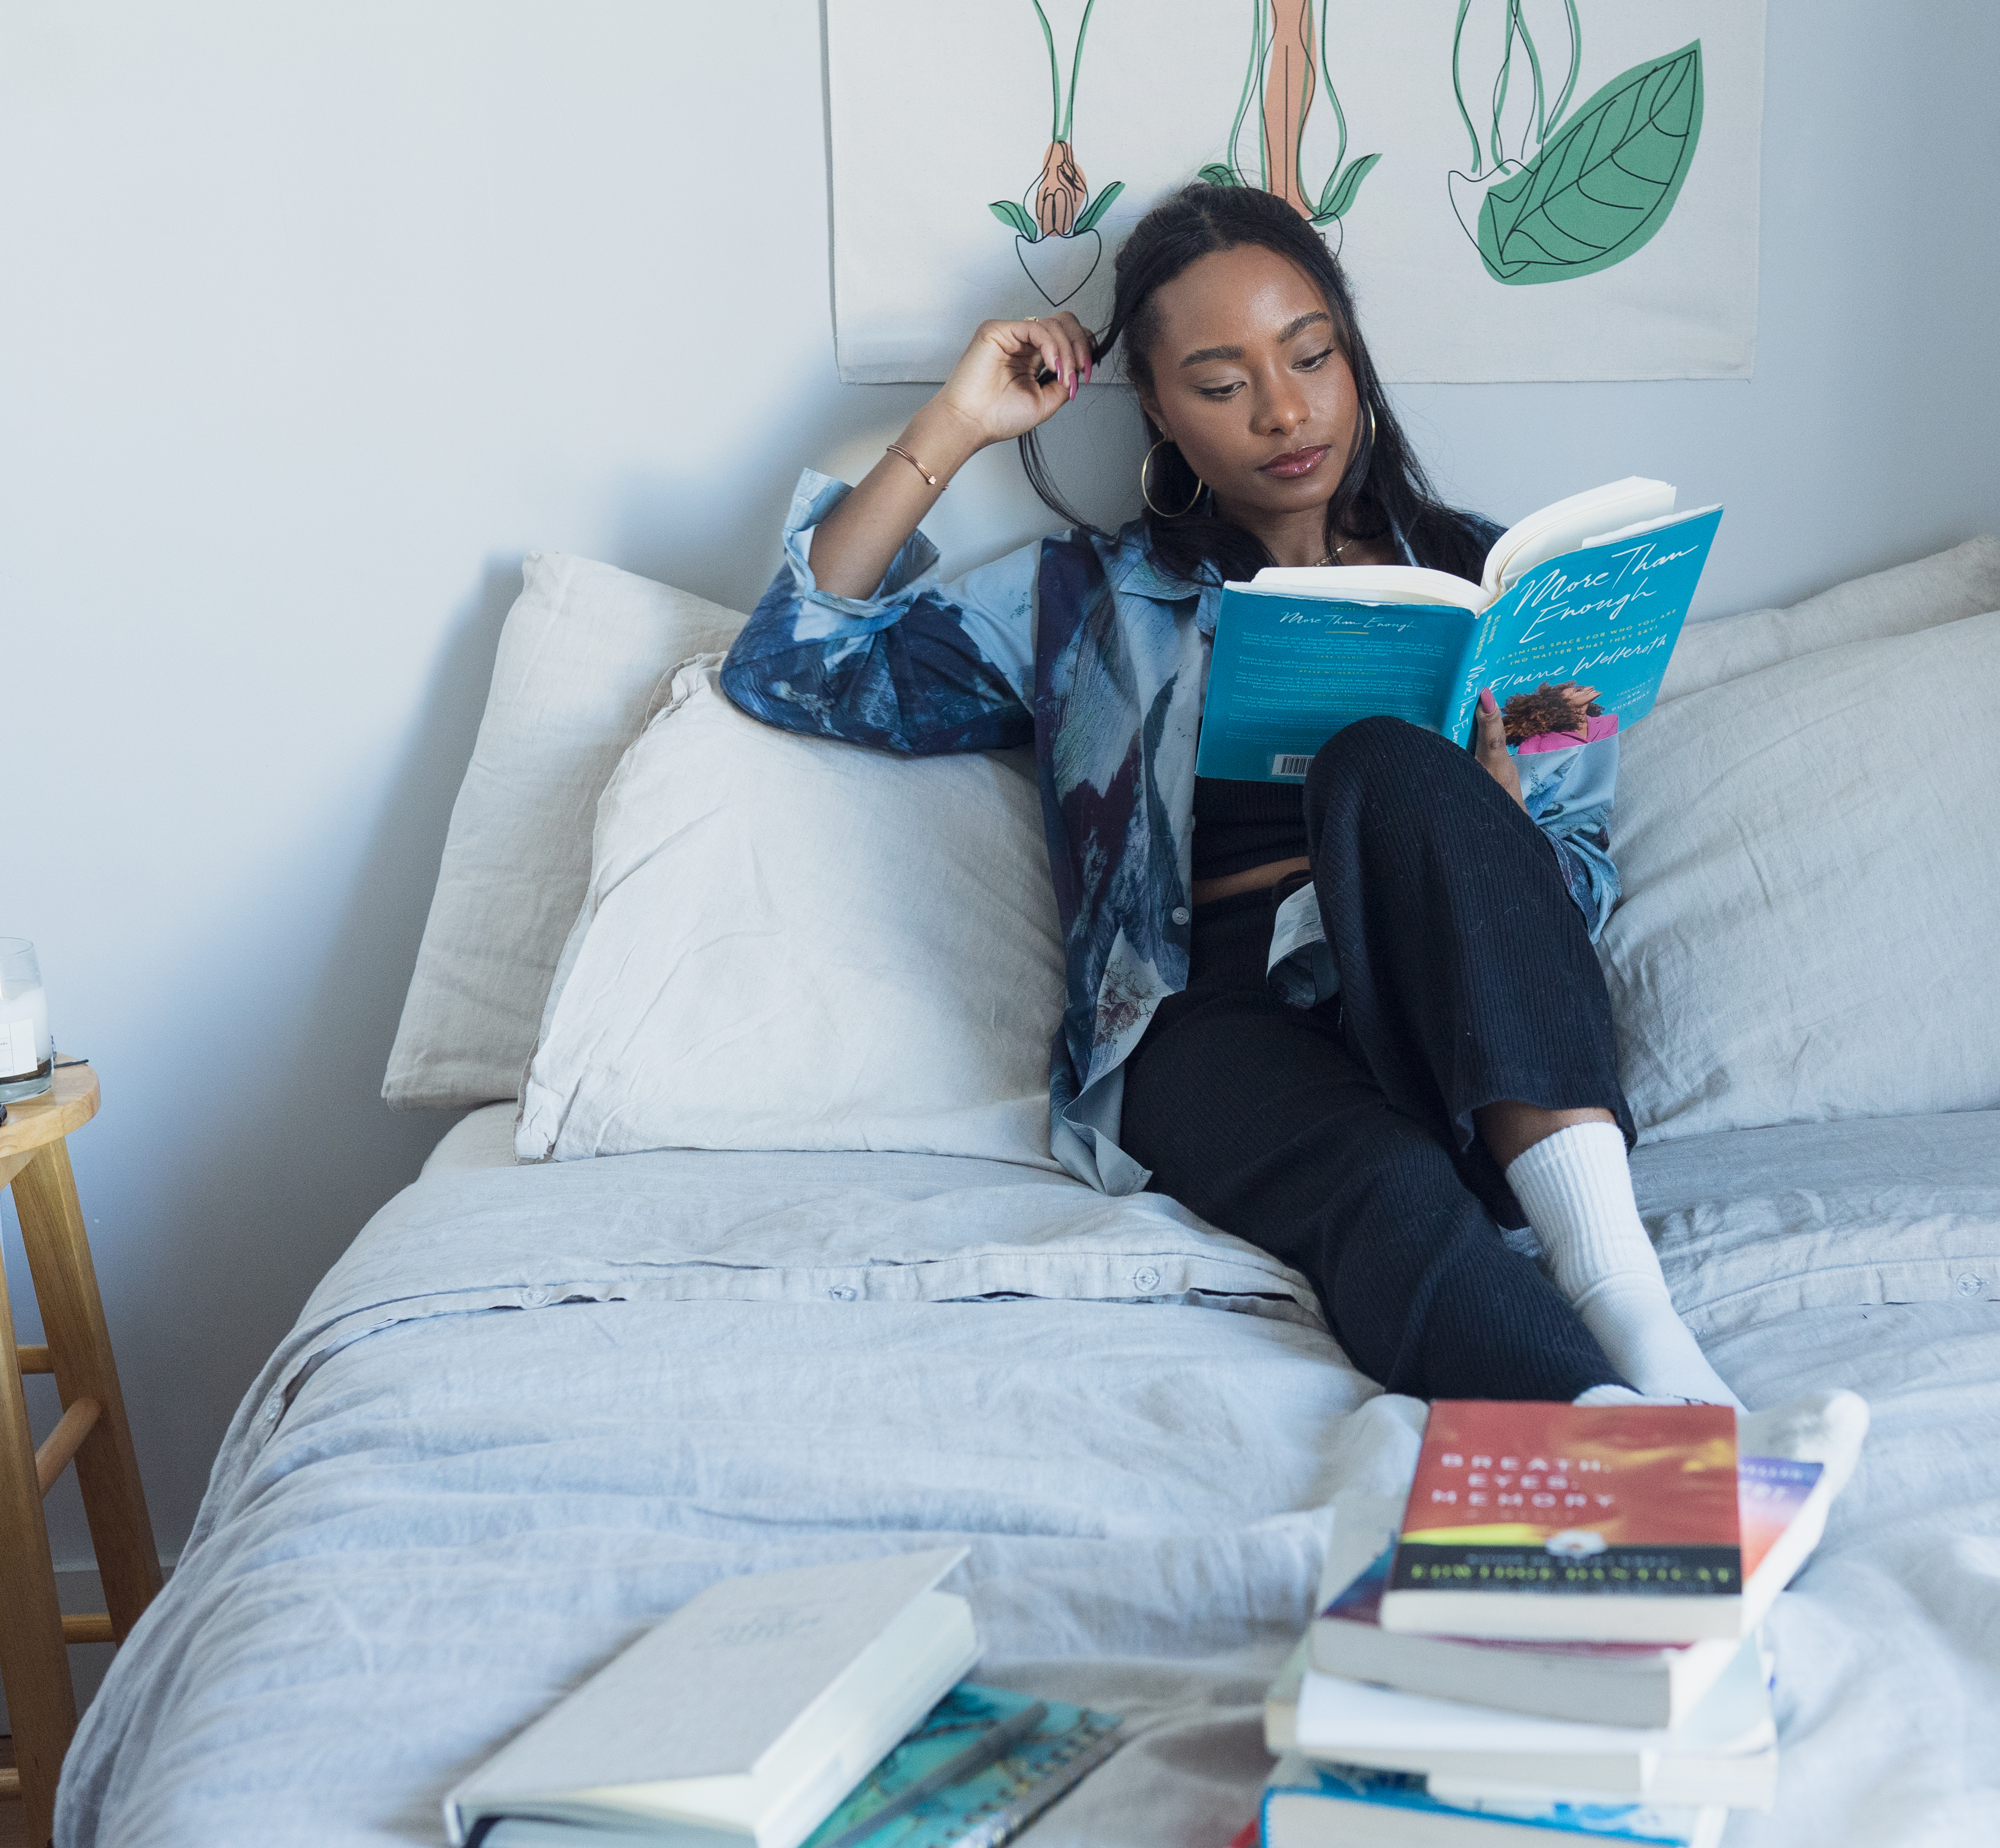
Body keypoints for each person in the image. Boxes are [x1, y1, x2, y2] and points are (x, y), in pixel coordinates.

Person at [722, 183, 1736, 1411]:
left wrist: (1500, 826)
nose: (1285, 409)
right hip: (1212, 1027)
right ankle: (1617, 1427)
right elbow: (792, 662)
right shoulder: (1087, 605)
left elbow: (1578, 875)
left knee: (1381, 762)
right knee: (1383, 1190)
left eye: (1311, 355)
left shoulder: (1502, 585)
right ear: (1154, 408)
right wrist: (957, 422)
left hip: (1456, 1029)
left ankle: (1630, 1300)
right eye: (1220, 383)